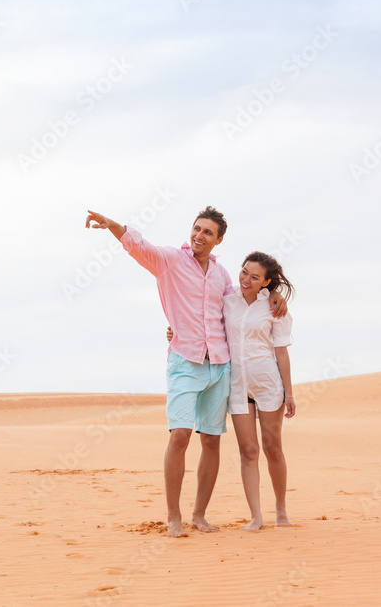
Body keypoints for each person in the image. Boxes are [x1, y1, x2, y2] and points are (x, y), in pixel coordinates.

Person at [85, 206, 286, 538]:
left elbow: (239, 304)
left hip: (219, 365)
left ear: (218, 239)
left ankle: (199, 515)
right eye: (196, 228)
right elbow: (139, 246)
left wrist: (273, 293)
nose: (199, 235)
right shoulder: (170, 261)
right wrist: (111, 225)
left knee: (211, 440)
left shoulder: (222, 276)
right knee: (179, 435)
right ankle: (174, 517)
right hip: (183, 361)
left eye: (208, 232)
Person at [222, 252, 295, 530]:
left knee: (273, 448)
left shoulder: (274, 308)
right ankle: (256, 516)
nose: (246, 280)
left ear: (266, 283)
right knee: (248, 451)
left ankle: (281, 511)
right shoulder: (227, 302)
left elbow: (282, 354)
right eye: (244, 272)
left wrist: (290, 393)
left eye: (254, 277)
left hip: (268, 385)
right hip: (237, 386)